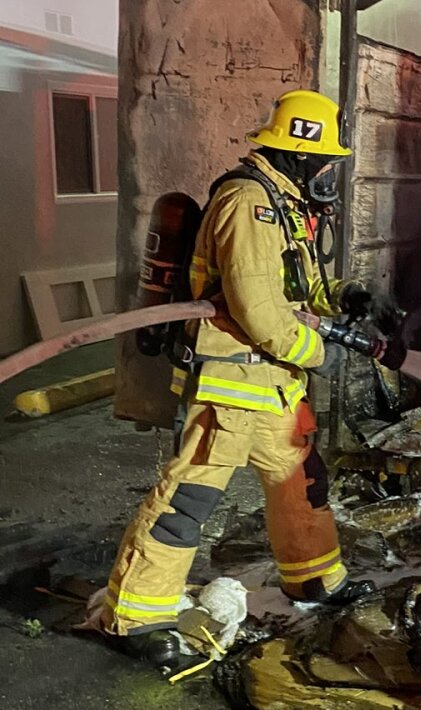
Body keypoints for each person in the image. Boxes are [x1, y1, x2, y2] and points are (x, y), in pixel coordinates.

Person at [93, 90, 399, 672]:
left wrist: (348, 296)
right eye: (325, 161)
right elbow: (258, 310)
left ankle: (313, 579)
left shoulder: (283, 203)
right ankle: (134, 616)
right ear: (300, 154)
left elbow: (297, 290)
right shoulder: (248, 203)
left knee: (302, 482)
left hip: (272, 385)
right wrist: (319, 353)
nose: (329, 173)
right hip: (231, 386)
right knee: (188, 499)